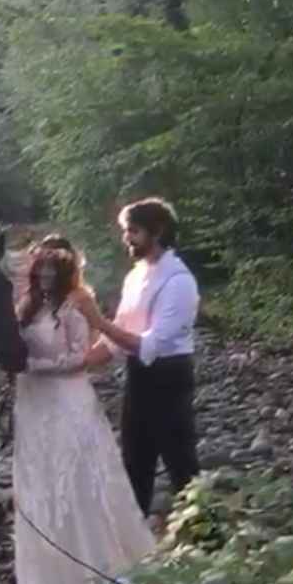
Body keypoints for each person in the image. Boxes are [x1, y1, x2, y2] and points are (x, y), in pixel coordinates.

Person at [1, 242, 154, 584]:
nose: (45, 277)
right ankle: (42, 578)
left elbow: (79, 358)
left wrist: (32, 366)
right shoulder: (27, 307)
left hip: (66, 402)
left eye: (53, 271)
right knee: (39, 483)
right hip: (33, 406)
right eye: (41, 271)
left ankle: (90, 573)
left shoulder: (75, 307)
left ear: (66, 274)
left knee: (77, 481)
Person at [77, 198, 200, 518]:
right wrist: (79, 362)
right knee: (133, 464)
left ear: (157, 231)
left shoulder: (179, 281)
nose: (126, 238)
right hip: (139, 378)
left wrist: (95, 319)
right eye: (125, 231)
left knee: (182, 466)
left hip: (170, 376)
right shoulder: (135, 277)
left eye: (133, 231)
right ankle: (134, 554)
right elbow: (119, 333)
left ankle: (207, 547)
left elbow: (151, 345)